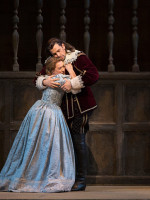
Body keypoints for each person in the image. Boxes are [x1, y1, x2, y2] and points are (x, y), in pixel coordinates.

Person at [0, 57, 79, 193]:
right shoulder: (59, 79)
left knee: (41, 145)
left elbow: (40, 82)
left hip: (41, 110)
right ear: (52, 70)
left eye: (63, 67)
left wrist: (44, 80)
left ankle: (37, 175)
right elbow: (75, 85)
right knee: (43, 144)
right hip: (49, 113)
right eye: (60, 67)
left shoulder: (53, 78)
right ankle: (40, 177)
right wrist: (70, 70)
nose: (63, 69)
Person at [35, 38, 99, 191]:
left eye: (58, 50)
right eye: (54, 53)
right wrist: (45, 82)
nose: (57, 55)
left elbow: (93, 75)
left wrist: (73, 82)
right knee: (67, 144)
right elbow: (37, 78)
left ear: (63, 46)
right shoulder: (52, 61)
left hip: (81, 107)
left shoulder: (78, 57)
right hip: (63, 111)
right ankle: (67, 178)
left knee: (78, 140)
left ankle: (81, 180)